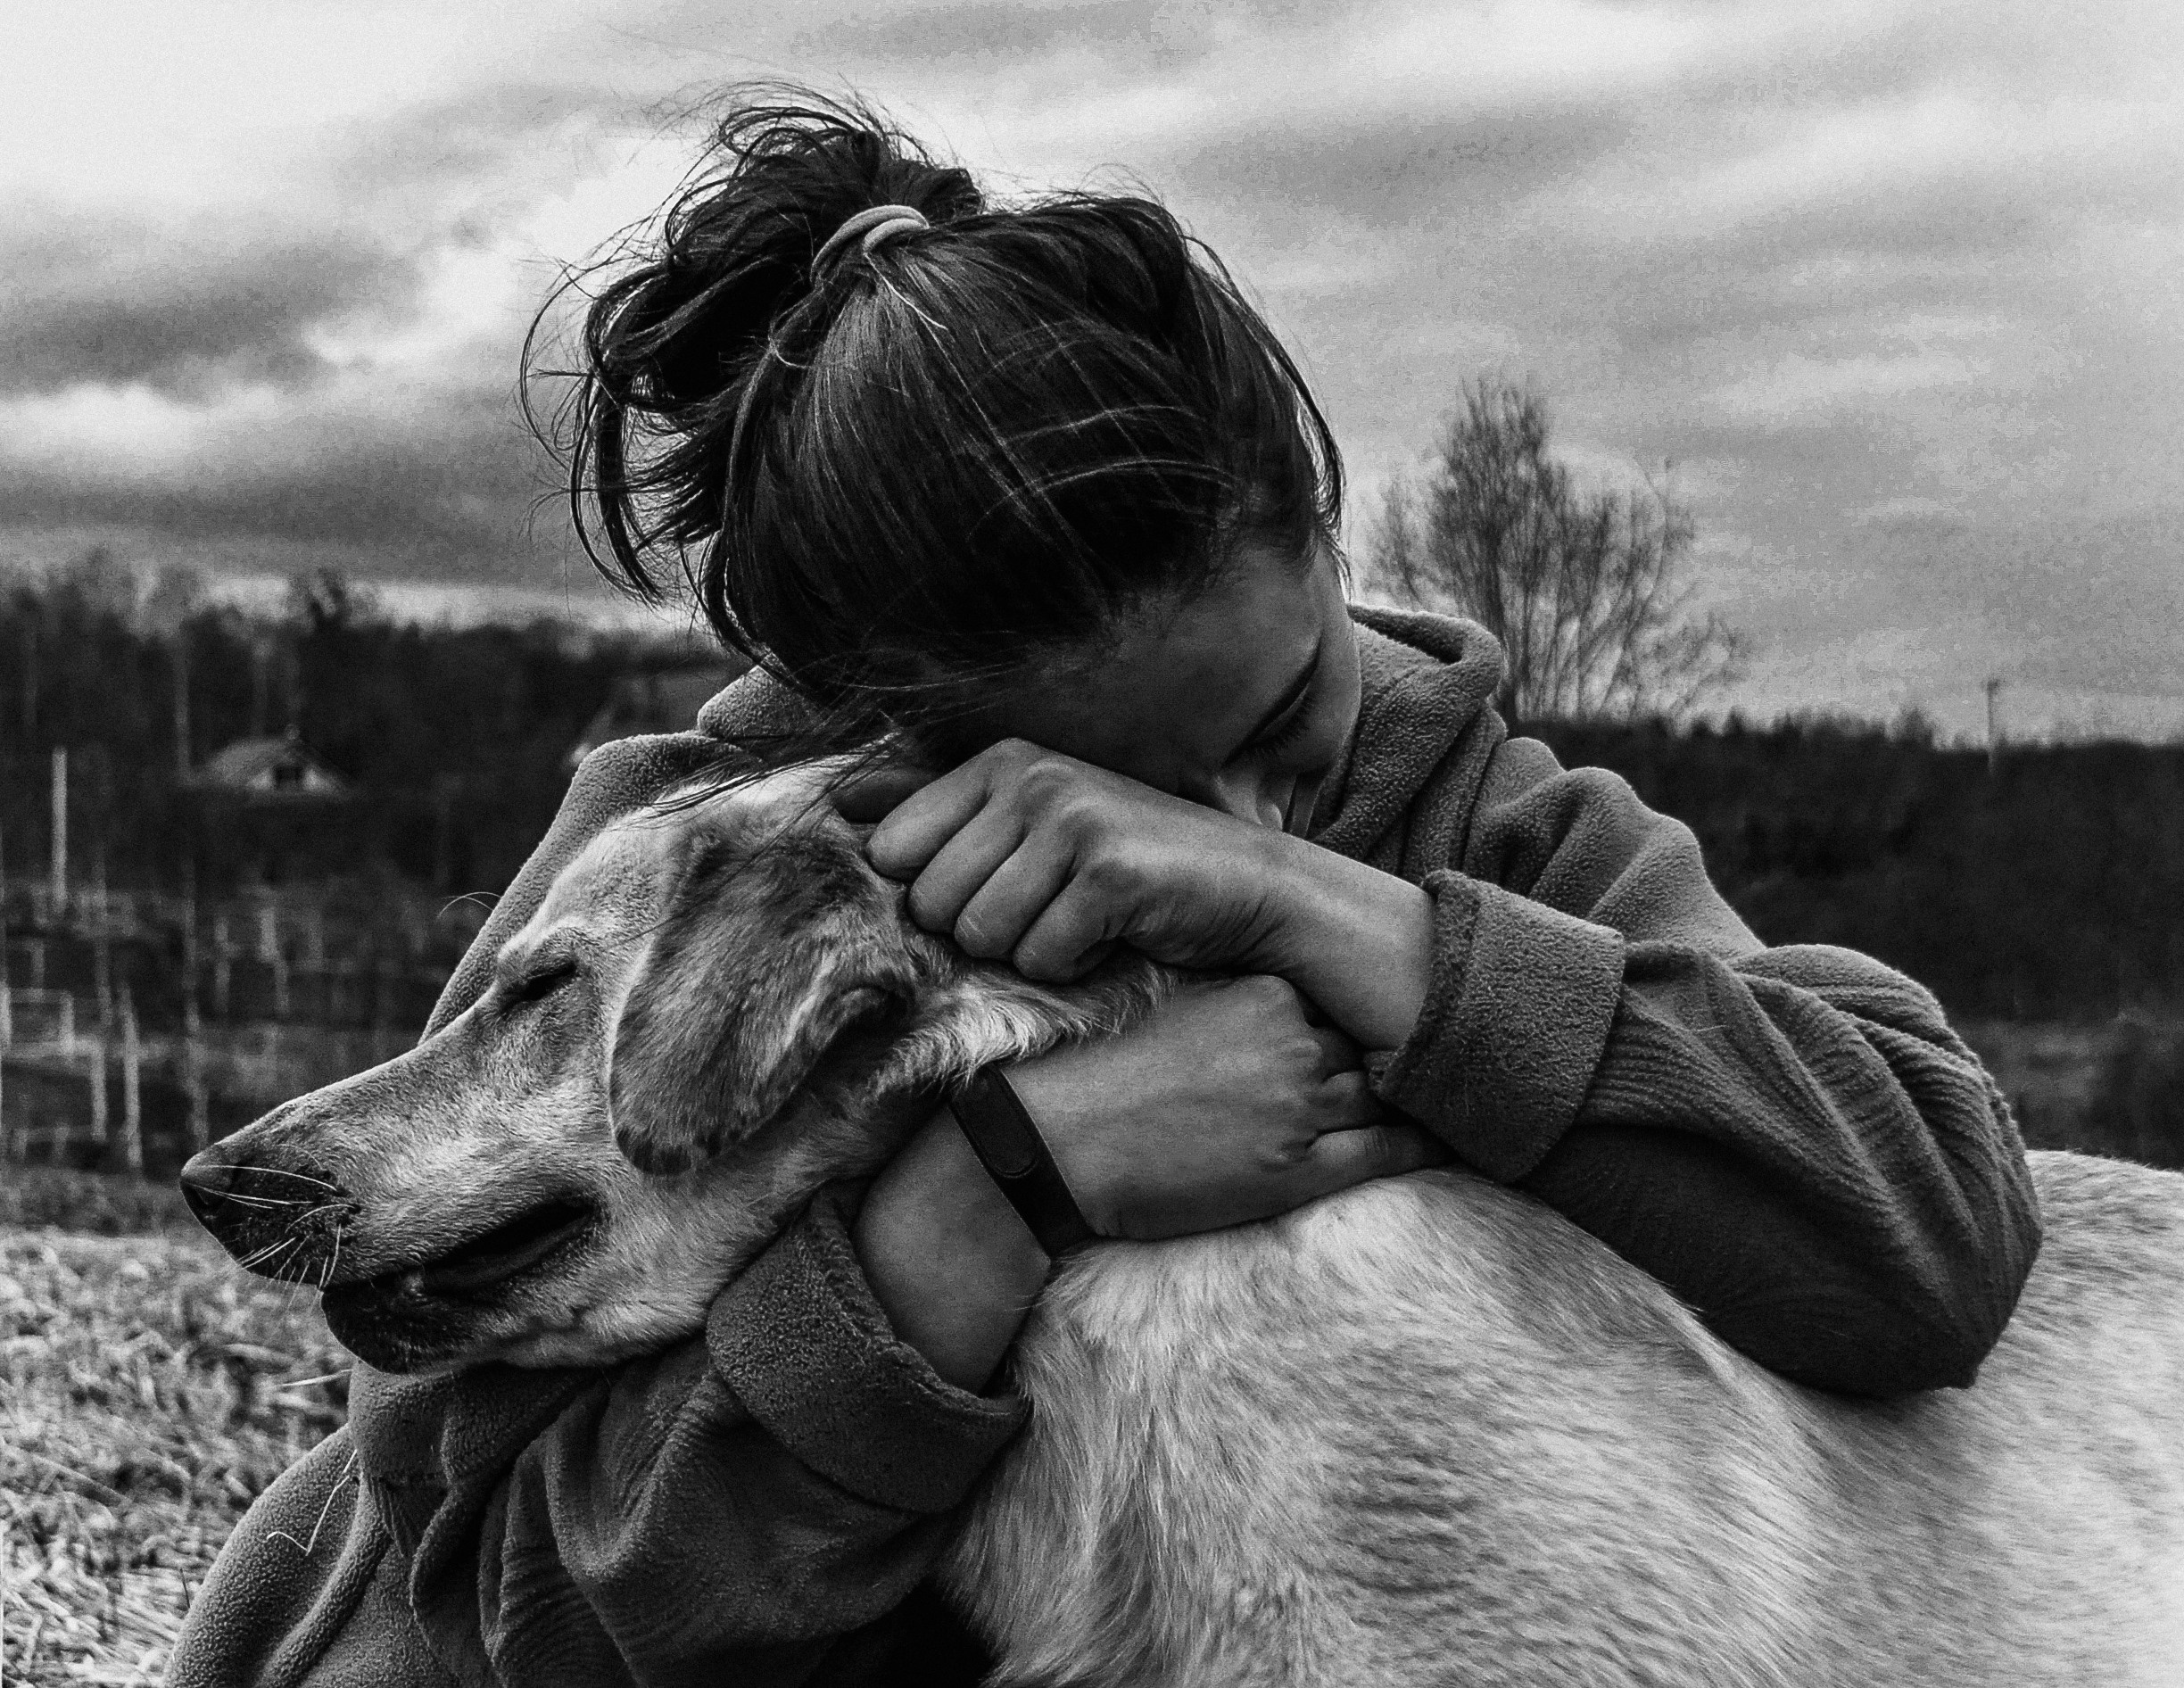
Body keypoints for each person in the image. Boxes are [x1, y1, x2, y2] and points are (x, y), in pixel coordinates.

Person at [170, 91, 2039, 1688]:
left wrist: (1317, 909)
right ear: (879, 740)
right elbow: (496, 1604)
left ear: (1316, 526)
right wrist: (1004, 1184)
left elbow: (1936, 1232)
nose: (1244, 795)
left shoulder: (1475, 813)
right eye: (1130, 785)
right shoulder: (696, 852)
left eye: (1290, 706)